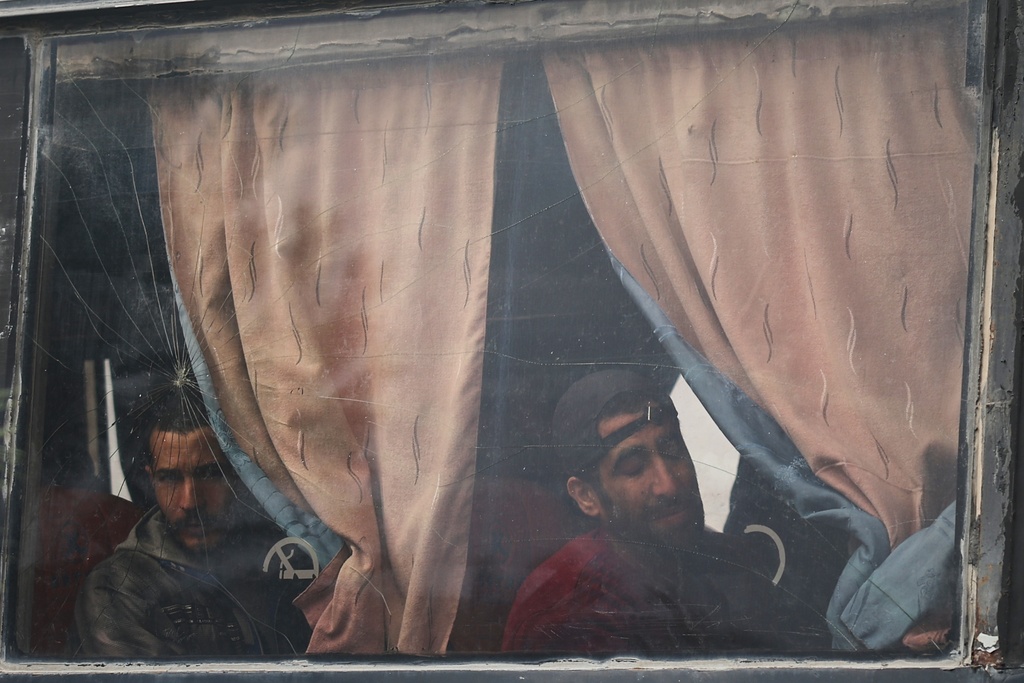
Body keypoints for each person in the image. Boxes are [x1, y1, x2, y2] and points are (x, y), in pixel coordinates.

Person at [502, 369, 824, 655]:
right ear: (586, 496)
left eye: (672, 452)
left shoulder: (729, 562)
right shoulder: (575, 615)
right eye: (633, 468)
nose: (668, 485)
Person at [71, 381, 313, 657]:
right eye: (170, 478)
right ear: (151, 479)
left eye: (209, 474)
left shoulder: (286, 559)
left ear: (241, 476)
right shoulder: (119, 588)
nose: (190, 502)